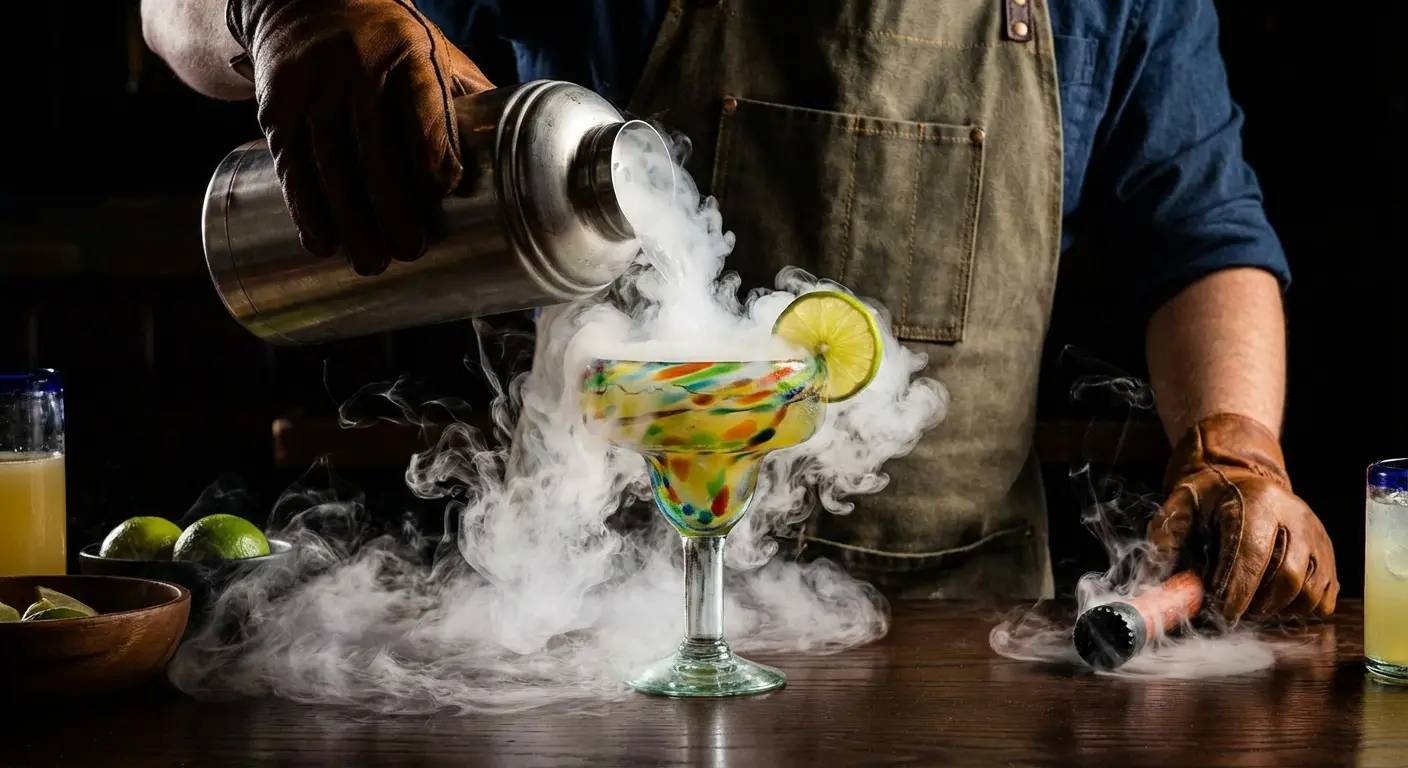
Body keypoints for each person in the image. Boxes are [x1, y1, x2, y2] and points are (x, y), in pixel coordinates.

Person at [142, 0, 1338, 622]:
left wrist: (1238, 443)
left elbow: (1200, 235)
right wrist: (281, 8)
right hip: (584, 636)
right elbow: (169, 17)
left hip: (961, 657)